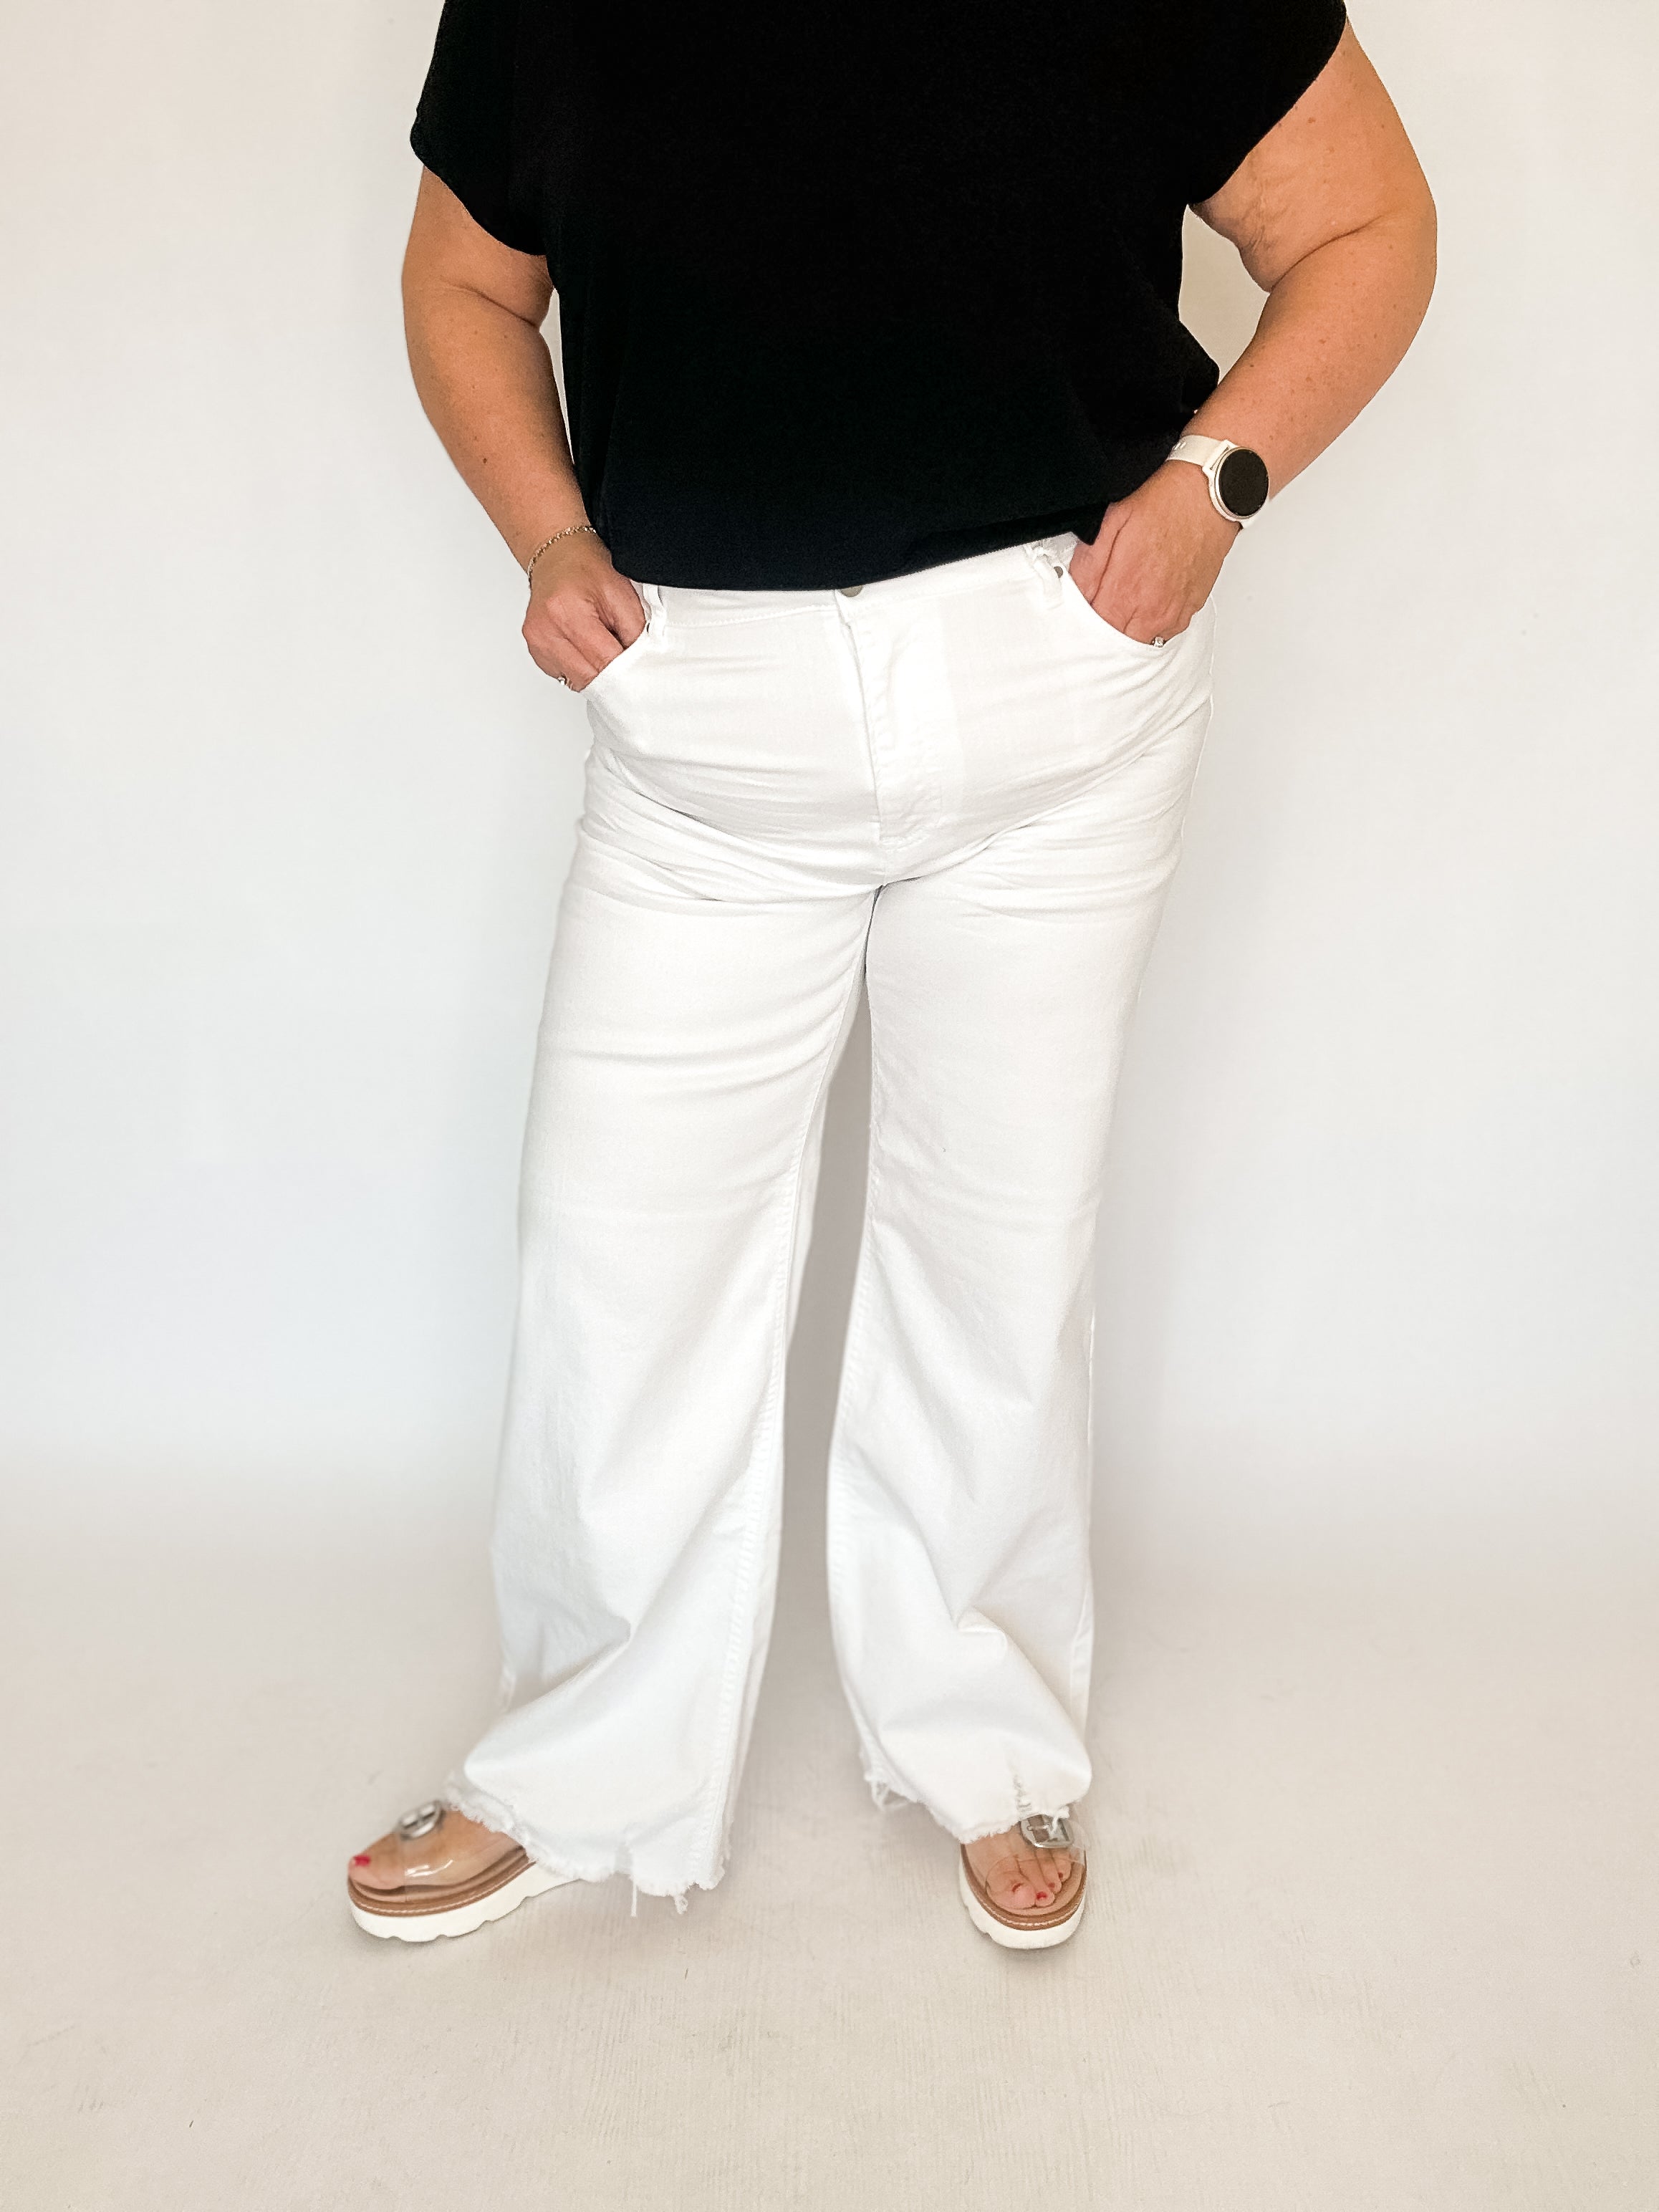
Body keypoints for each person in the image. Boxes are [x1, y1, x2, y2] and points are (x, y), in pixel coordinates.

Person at [347, 0, 1435, 1950]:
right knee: (617, 1254)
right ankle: (582, 1760)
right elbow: (462, 279)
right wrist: (548, 537)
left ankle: (986, 1749)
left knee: (995, 1239)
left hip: (1057, 691)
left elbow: (1368, 222)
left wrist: (1211, 490)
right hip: (705, 718)